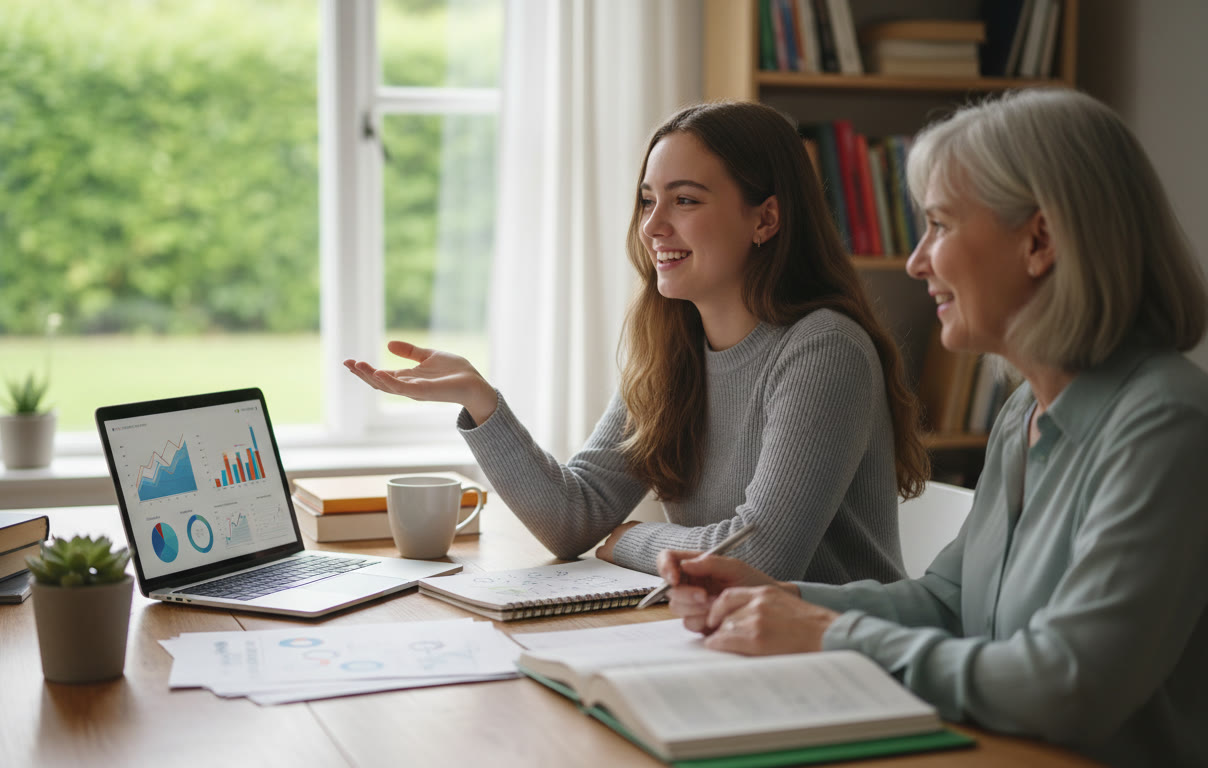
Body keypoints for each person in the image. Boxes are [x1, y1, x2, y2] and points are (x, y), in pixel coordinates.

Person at [658, 89, 1208, 767]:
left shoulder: (1165, 423)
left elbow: (1071, 684)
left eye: (941, 225)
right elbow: (951, 602)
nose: (917, 261)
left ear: (1038, 241)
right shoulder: (1025, 414)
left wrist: (827, 635)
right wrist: (780, 597)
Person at [345, 100, 928, 581]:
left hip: (838, 666)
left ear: (766, 220)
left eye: (686, 200)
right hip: (726, 644)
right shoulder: (674, 348)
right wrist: (481, 401)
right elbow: (574, 518)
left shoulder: (825, 351)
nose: (652, 226)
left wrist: (631, 539)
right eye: (649, 199)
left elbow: (758, 559)